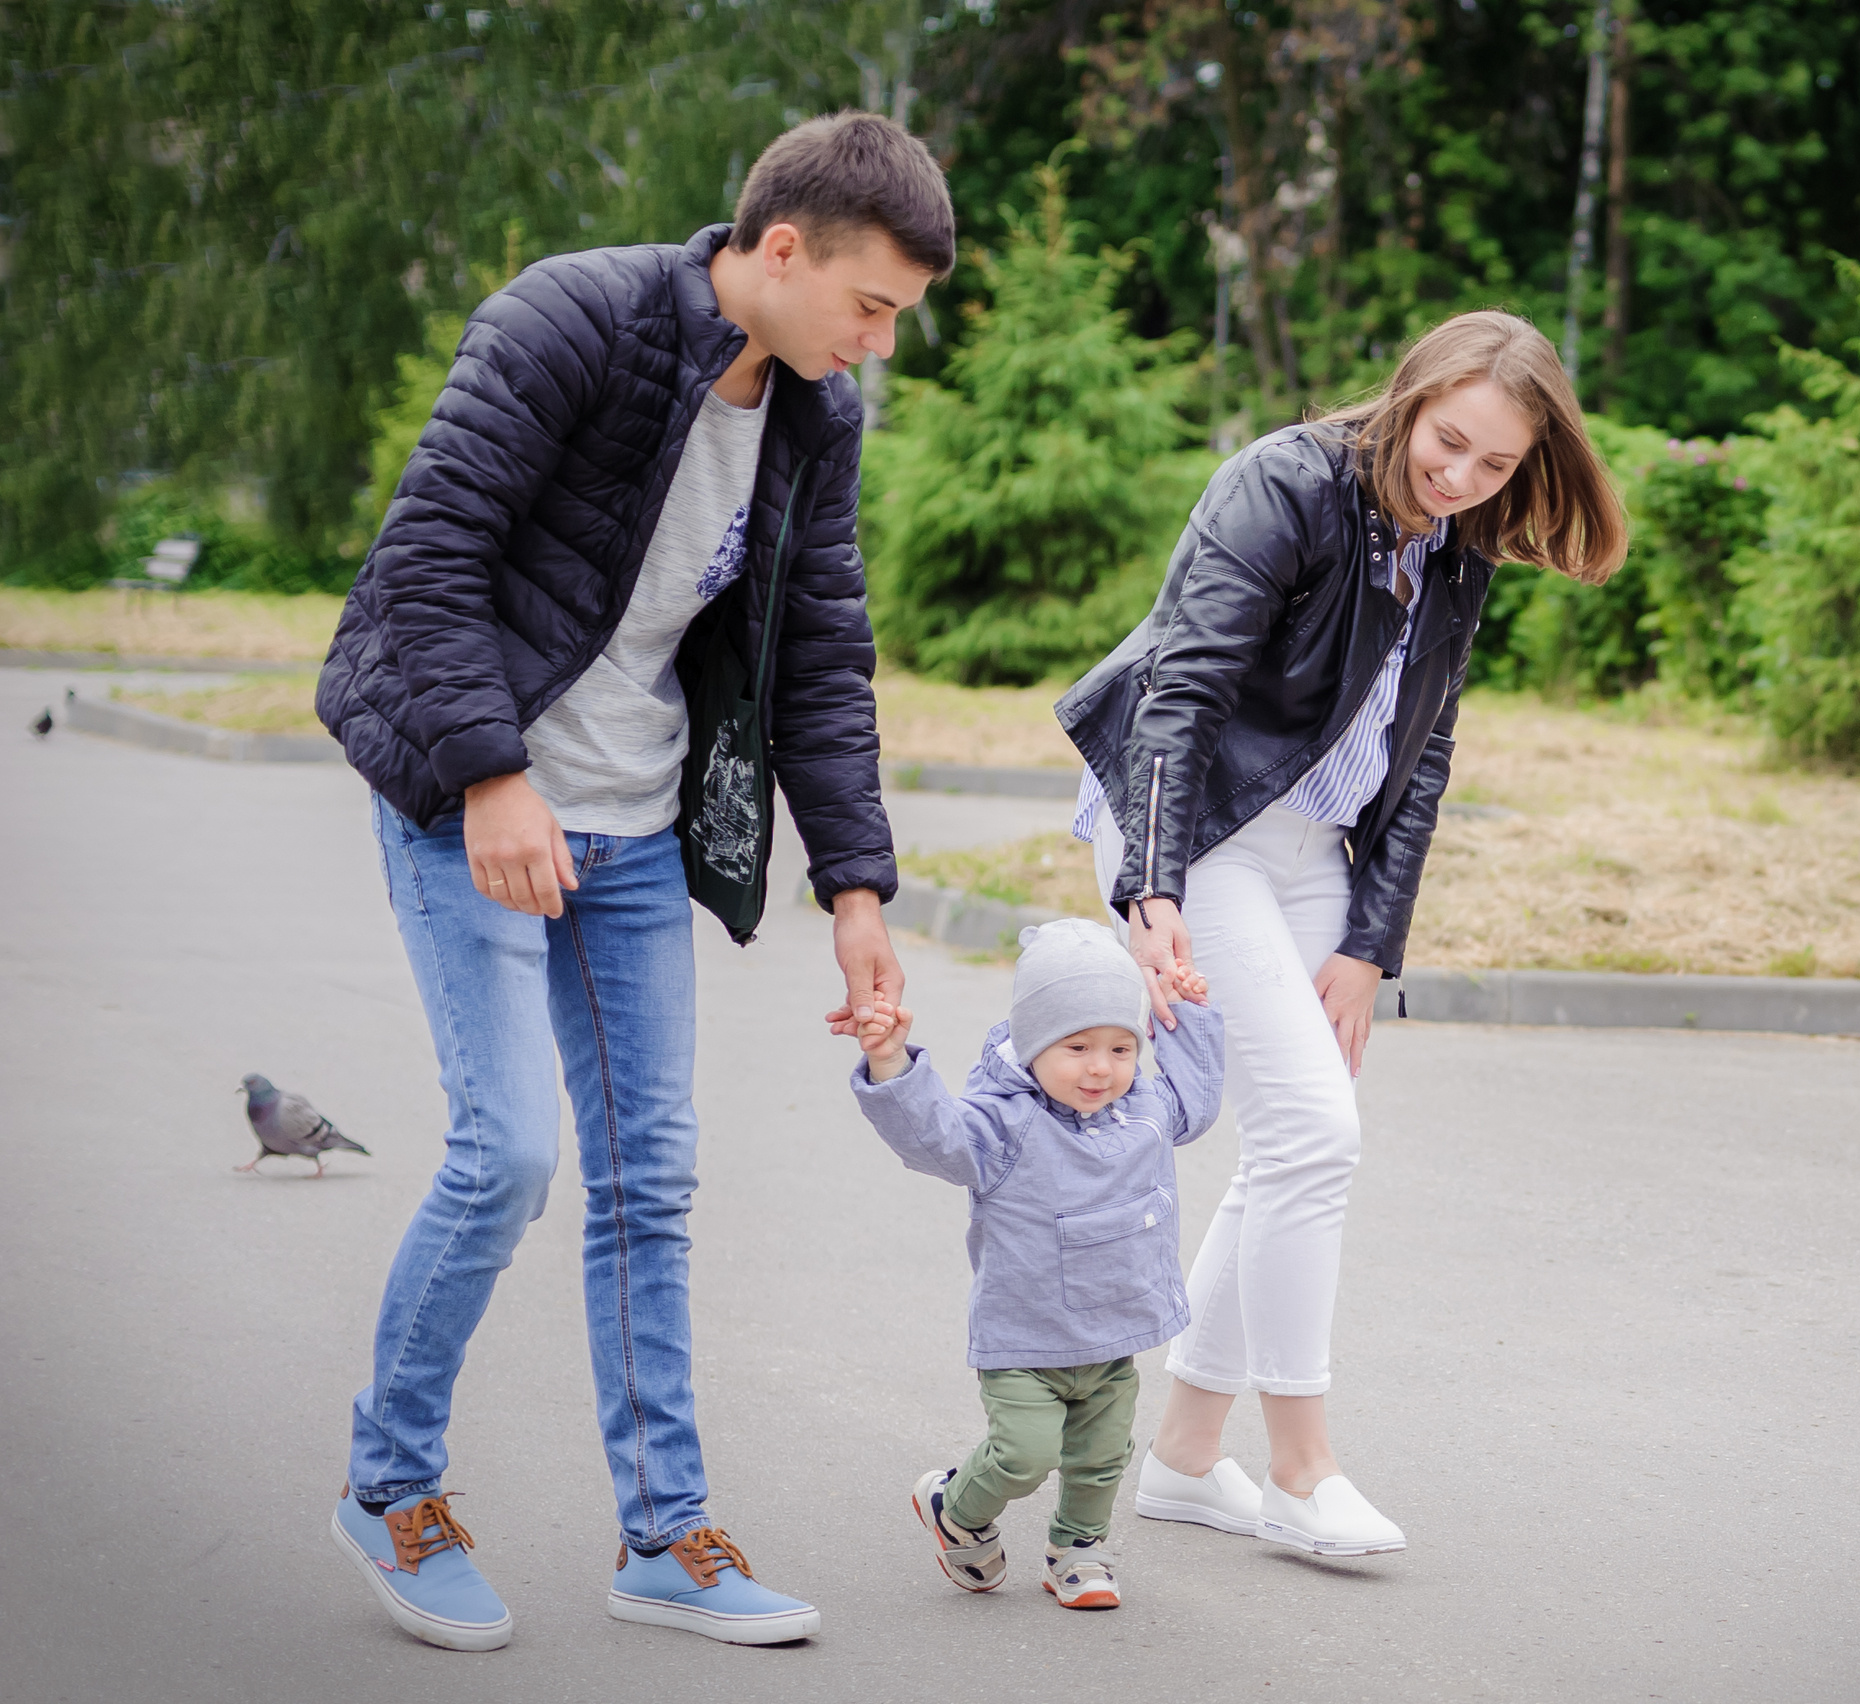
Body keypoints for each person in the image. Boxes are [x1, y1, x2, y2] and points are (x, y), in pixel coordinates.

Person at [313, 112, 953, 1652]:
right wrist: (490, 774)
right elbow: (431, 558)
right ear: (781, 251)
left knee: (649, 1188)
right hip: (469, 802)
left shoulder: (818, 415)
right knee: (506, 1158)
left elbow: (819, 663)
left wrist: (859, 896)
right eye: (870, 306)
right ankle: (389, 1487)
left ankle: (667, 1537)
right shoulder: (571, 317)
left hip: (630, 833)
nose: (876, 344)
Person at [1054, 310, 1628, 1555]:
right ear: (1413, 394)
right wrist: (1150, 893)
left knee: (1293, 1146)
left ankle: (1188, 1458)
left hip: (1314, 845)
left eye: (1495, 466)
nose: (1463, 479)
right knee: (1317, 1130)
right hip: (1194, 821)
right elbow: (1184, 691)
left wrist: (1373, 945)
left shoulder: (1463, 541)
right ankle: (1303, 1468)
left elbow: (1422, 757)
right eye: (1450, 444)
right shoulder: (1282, 484)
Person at [843, 920, 1225, 1610]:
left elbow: (1196, 1103)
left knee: (1103, 1456)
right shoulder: (1003, 1123)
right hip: (1025, 1338)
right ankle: (957, 1508)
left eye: (1120, 1047)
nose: (1100, 1067)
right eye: (1076, 1047)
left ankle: (1079, 1548)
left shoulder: (1142, 1108)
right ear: (1030, 1043)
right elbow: (937, 1139)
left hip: (1113, 1332)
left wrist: (1188, 1014)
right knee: (1024, 1454)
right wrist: (892, 1066)